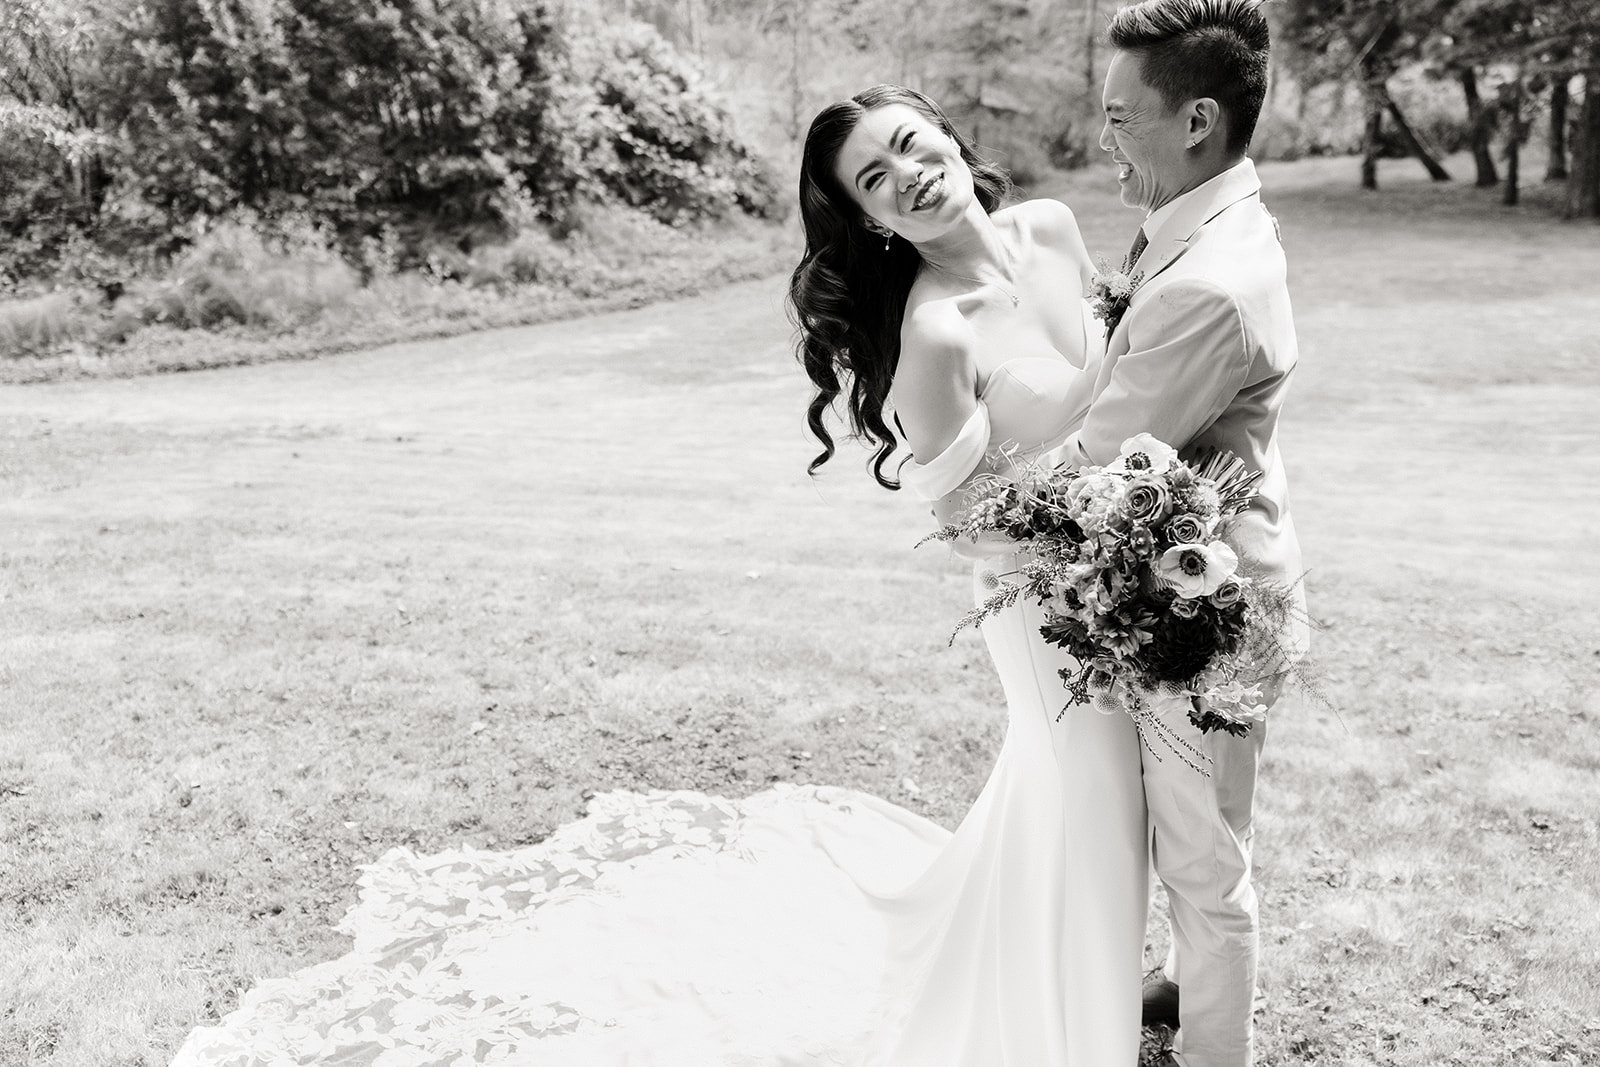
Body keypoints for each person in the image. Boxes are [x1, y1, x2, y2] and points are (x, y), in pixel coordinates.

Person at [788, 83, 1149, 1064]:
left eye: (910, 145)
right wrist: (1096, 534)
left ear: (947, 138)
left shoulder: (1053, 227)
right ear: (869, 219)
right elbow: (965, 525)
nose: (907, 174)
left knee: (1099, 799)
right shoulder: (934, 337)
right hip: (1039, 606)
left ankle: (1076, 967)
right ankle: (1078, 1025)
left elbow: (1125, 372)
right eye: (875, 177)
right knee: (1097, 800)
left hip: (1133, 570)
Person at [1039, 1, 1310, 1064]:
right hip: (1211, 572)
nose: (1102, 141)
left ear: (1195, 119)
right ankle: (1184, 982)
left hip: (1205, 605)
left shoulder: (1206, 281)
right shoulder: (1204, 221)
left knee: (1203, 862)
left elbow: (1097, 459)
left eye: (1118, 119)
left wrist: (984, 481)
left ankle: (1211, 1048)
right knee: (1211, 828)